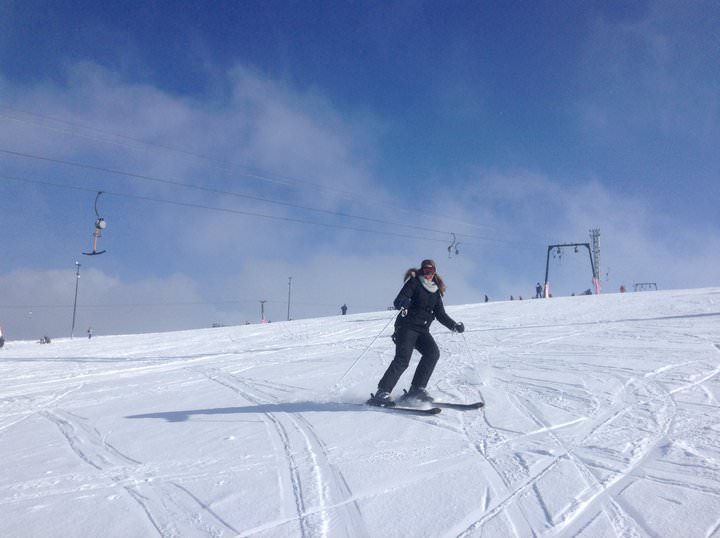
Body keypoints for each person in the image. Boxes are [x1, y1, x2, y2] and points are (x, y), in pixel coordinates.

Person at [368, 259, 464, 407]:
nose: (428, 274)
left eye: (431, 271)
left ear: (435, 272)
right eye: (425, 270)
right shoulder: (414, 283)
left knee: (432, 353)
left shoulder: (435, 291)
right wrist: (403, 302)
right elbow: (399, 300)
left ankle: (417, 389)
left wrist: (454, 326)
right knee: (402, 359)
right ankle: (382, 392)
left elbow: (440, 314)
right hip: (406, 327)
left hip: (422, 330)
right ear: (421, 270)